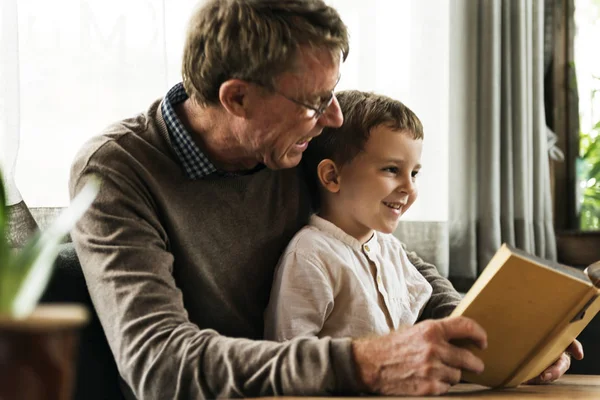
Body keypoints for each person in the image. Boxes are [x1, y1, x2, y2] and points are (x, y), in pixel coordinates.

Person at [68, 1, 580, 398]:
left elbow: (385, 254)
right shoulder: (116, 173)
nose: (334, 119)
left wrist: (491, 337)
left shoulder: (296, 141)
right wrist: (363, 362)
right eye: (315, 102)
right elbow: (159, 366)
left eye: (333, 93)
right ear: (237, 97)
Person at [264, 90, 442, 341]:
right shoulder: (310, 255)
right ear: (332, 177)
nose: (409, 188)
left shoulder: (390, 249)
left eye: (414, 174)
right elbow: (290, 354)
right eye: (392, 169)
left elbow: (423, 313)